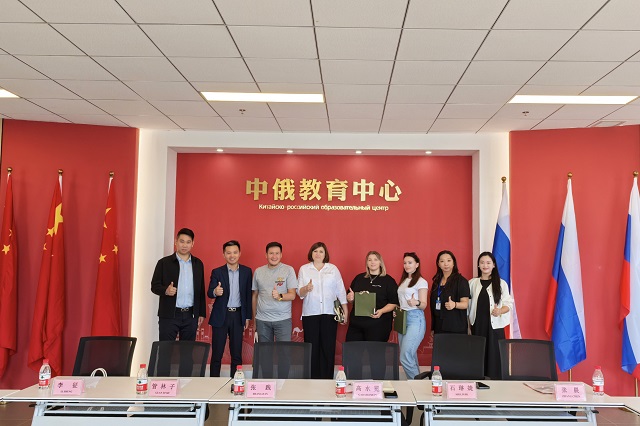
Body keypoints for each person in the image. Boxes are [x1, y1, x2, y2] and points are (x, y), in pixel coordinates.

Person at [297, 242, 348, 379]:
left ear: (325, 254)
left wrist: (345, 312)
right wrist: (306, 288)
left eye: (321, 251)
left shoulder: (333, 269)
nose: (318, 254)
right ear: (311, 253)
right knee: (312, 349)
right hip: (310, 314)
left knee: (328, 348)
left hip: (329, 314)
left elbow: (341, 291)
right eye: (315, 251)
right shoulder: (304, 269)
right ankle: (312, 381)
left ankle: (327, 380)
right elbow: (299, 293)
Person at [150, 228, 206, 341]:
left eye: (188, 242)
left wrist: (201, 313)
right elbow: (154, 286)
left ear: (192, 244)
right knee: (166, 348)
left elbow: (201, 289)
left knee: (187, 349)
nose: (184, 245)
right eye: (182, 241)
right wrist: (166, 290)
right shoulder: (164, 263)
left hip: (190, 315)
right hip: (169, 315)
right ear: (176, 242)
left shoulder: (198, 264)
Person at [208, 240, 252, 377]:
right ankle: (214, 384)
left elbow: (248, 295)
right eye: (228, 253)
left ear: (239, 253)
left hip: (238, 316)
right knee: (217, 354)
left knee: (236, 354)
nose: (232, 255)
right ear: (224, 254)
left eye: (235, 252)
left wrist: (247, 316)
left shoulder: (246, 271)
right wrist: (215, 291)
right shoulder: (217, 272)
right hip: (221, 315)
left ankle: (236, 383)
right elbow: (209, 292)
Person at [468, 251, 513, 379]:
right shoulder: (472, 283)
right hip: (477, 326)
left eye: (488, 263)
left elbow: (509, 304)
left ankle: (495, 384)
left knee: (494, 357)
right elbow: (468, 307)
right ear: (478, 265)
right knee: (478, 355)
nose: (485, 265)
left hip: (495, 327)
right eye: (482, 262)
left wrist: (500, 311)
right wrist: (468, 326)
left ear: (493, 265)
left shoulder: (501, 283)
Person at [345, 251, 398, 342]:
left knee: (375, 351)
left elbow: (394, 303)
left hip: (378, 325)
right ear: (367, 262)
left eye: (375, 260)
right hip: (357, 324)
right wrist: (350, 298)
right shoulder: (359, 278)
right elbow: (350, 297)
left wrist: (381, 311)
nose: (372, 262)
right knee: (353, 349)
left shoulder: (388, 281)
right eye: (369, 260)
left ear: (380, 262)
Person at [252, 242, 297, 342]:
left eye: (277, 253)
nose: (274, 256)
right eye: (271, 253)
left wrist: (279, 296)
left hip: (283, 320)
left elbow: (292, 295)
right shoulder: (258, 271)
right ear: (266, 255)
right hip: (262, 320)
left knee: (284, 350)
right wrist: (254, 319)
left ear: (281, 255)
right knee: (264, 351)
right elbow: (255, 296)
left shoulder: (288, 270)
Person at [396, 252, 428, 380]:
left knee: (405, 356)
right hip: (402, 318)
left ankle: (417, 385)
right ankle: (418, 383)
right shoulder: (404, 281)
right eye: (405, 263)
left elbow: (424, 305)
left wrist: (416, 302)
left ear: (417, 264)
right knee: (410, 355)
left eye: (410, 262)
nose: (407, 265)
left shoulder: (421, 282)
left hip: (415, 318)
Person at [429, 250, 470, 335]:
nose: (446, 264)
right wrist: (433, 327)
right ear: (438, 264)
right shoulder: (436, 282)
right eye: (442, 261)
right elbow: (433, 306)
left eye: (448, 260)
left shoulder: (461, 281)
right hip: (439, 327)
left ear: (453, 263)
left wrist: (455, 304)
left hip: (455, 327)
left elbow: (465, 304)